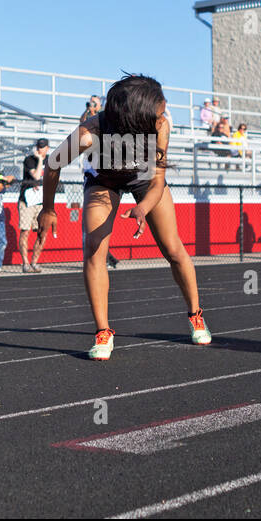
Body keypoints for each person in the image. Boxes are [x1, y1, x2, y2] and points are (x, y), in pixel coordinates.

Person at [35, 74, 209, 359]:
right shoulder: (90, 132)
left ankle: (196, 315)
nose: (164, 116)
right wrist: (48, 208)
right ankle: (103, 333)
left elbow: (156, 181)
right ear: (135, 117)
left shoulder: (161, 126)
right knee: (94, 249)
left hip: (144, 179)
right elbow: (53, 166)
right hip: (104, 181)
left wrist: (143, 208)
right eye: (159, 111)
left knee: (173, 248)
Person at [18, 138, 51, 271]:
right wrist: (40, 160)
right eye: (38, 147)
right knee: (25, 231)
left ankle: (34, 262)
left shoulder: (51, 160)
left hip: (41, 200)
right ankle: (25, 263)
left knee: (42, 232)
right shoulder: (30, 160)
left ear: (47, 148)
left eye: (42, 147)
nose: (39, 149)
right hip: (27, 200)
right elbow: (37, 176)